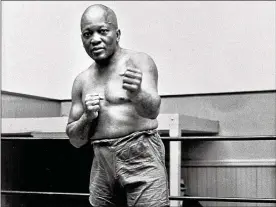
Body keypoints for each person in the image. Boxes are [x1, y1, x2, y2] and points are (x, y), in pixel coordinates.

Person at [66, 4, 169, 207]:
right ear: (82, 39)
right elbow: (75, 140)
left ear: (117, 33)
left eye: (102, 31)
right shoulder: (82, 81)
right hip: (101, 160)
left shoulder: (139, 62)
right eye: (88, 34)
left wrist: (137, 93)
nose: (95, 39)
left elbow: (152, 111)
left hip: (140, 154)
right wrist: (87, 117)